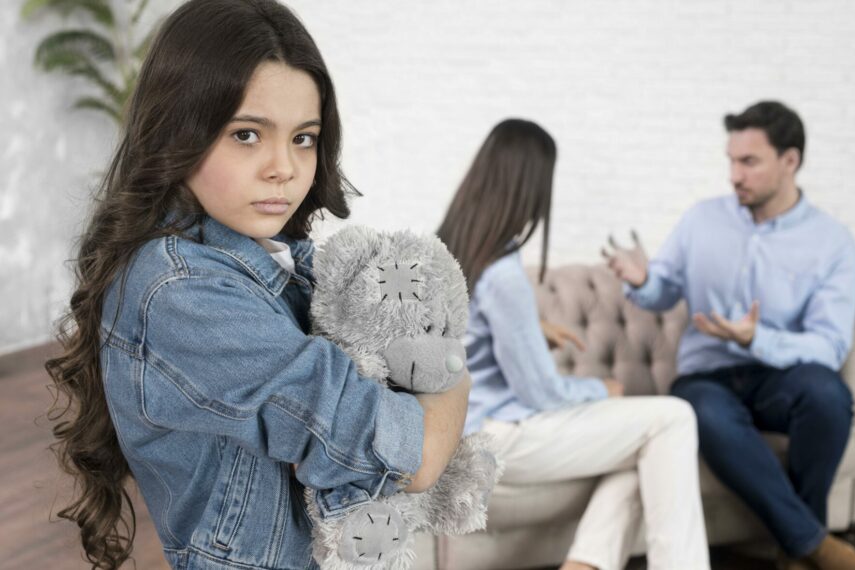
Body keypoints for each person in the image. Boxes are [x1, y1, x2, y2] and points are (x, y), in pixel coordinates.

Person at [44, 1, 470, 568]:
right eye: (246, 134)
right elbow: (412, 455)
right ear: (178, 132)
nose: (283, 168)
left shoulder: (269, 257)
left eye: (304, 138)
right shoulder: (182, 292)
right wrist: (452, 374)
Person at [604, 101, 855, 570]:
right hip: (707, 379)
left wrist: (758, 339)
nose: (735, 175)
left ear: (790, 160)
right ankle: (814, 547)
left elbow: (829, 344)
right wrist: (642, 281)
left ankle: (798, 544)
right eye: (732, 161)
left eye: (749, 162)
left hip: (779, 377)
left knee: (827, 395)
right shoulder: (701, 220)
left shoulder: (831, 241)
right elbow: (662, 291)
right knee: (699, 409)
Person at [437, 119, 709, 570]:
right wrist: (603, 389)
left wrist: (532, 326)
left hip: (467, 428)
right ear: (532, 186)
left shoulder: (453, 248)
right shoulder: (502, 272)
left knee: (643, 450)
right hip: (496, 436)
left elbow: (472, 334)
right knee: (673, 419)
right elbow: (542, 393)